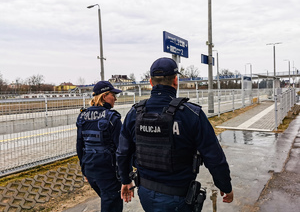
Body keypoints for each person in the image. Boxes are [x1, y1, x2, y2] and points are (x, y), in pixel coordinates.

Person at [116, 57, 233, 211]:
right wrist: (224, 185)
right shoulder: (191, 113)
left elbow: (122, 153)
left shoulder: (134, 113)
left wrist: (125, 180)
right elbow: (213, 156)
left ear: (151, 82)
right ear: (175, 81)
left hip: (145, 193)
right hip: (179, 197)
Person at [76, 81, 123, 212]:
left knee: (107, 200)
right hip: (108, 173)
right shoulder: (112, 118)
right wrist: (125, 176)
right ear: (104, 96)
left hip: (91, 171)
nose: (115, 98)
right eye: (113, 95)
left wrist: (84, 170)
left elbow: (80, 146)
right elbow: (122, 149)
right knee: (112, 206)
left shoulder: (82, 116)